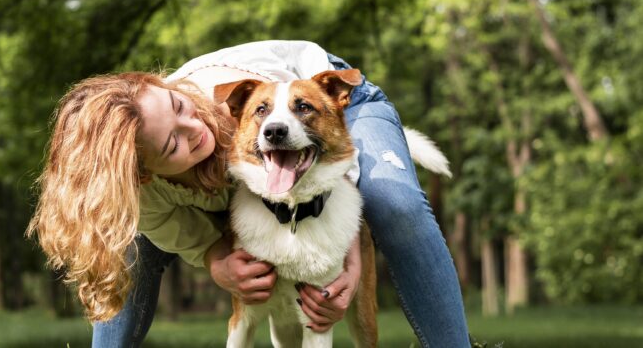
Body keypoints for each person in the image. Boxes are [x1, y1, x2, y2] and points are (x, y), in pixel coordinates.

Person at [27, 40, 470, 347]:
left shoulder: (241, 104)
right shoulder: (144, 197)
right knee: (128, 248)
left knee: (395, 203)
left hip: (328, 101)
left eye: (179, 108)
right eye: (173, 145)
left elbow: (331, 159)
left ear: (166, 89)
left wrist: (349, 261)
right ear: (142, 175)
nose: (195, 130)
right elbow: (200, 242)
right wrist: (218, 261)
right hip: (276, 167)